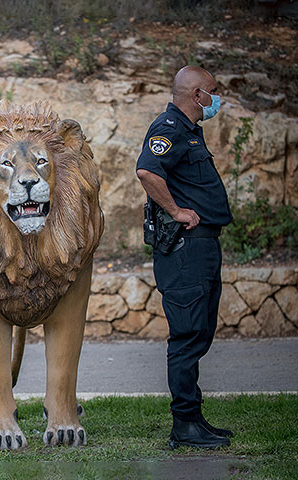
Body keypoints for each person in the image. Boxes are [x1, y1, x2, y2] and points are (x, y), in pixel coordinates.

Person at [136, 66, 234, 449]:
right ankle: (185, 425)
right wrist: (176, 210)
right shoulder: (169, 128)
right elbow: (147, 170)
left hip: (203, 246)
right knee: (187, 335)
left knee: (200, 333)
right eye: (212, 91)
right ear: (197, 96)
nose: (216, 99)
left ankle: (194, 420)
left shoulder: (190, 131)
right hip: (184, 249)